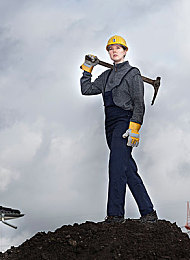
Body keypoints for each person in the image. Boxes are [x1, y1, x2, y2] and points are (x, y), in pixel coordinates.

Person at [80, 35, 157, 223]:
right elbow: (87, 89)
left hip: (125, 121)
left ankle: (115, 215)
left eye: (118, 48)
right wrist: (87, 69)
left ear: (125, 51)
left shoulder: (133, 74)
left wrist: (134, 128)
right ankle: (148, 213)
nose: (114, 51)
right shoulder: (106, 76)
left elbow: (139, 103)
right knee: (126, 168)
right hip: (110, 123)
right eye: (110, 49)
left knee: (115, 165)